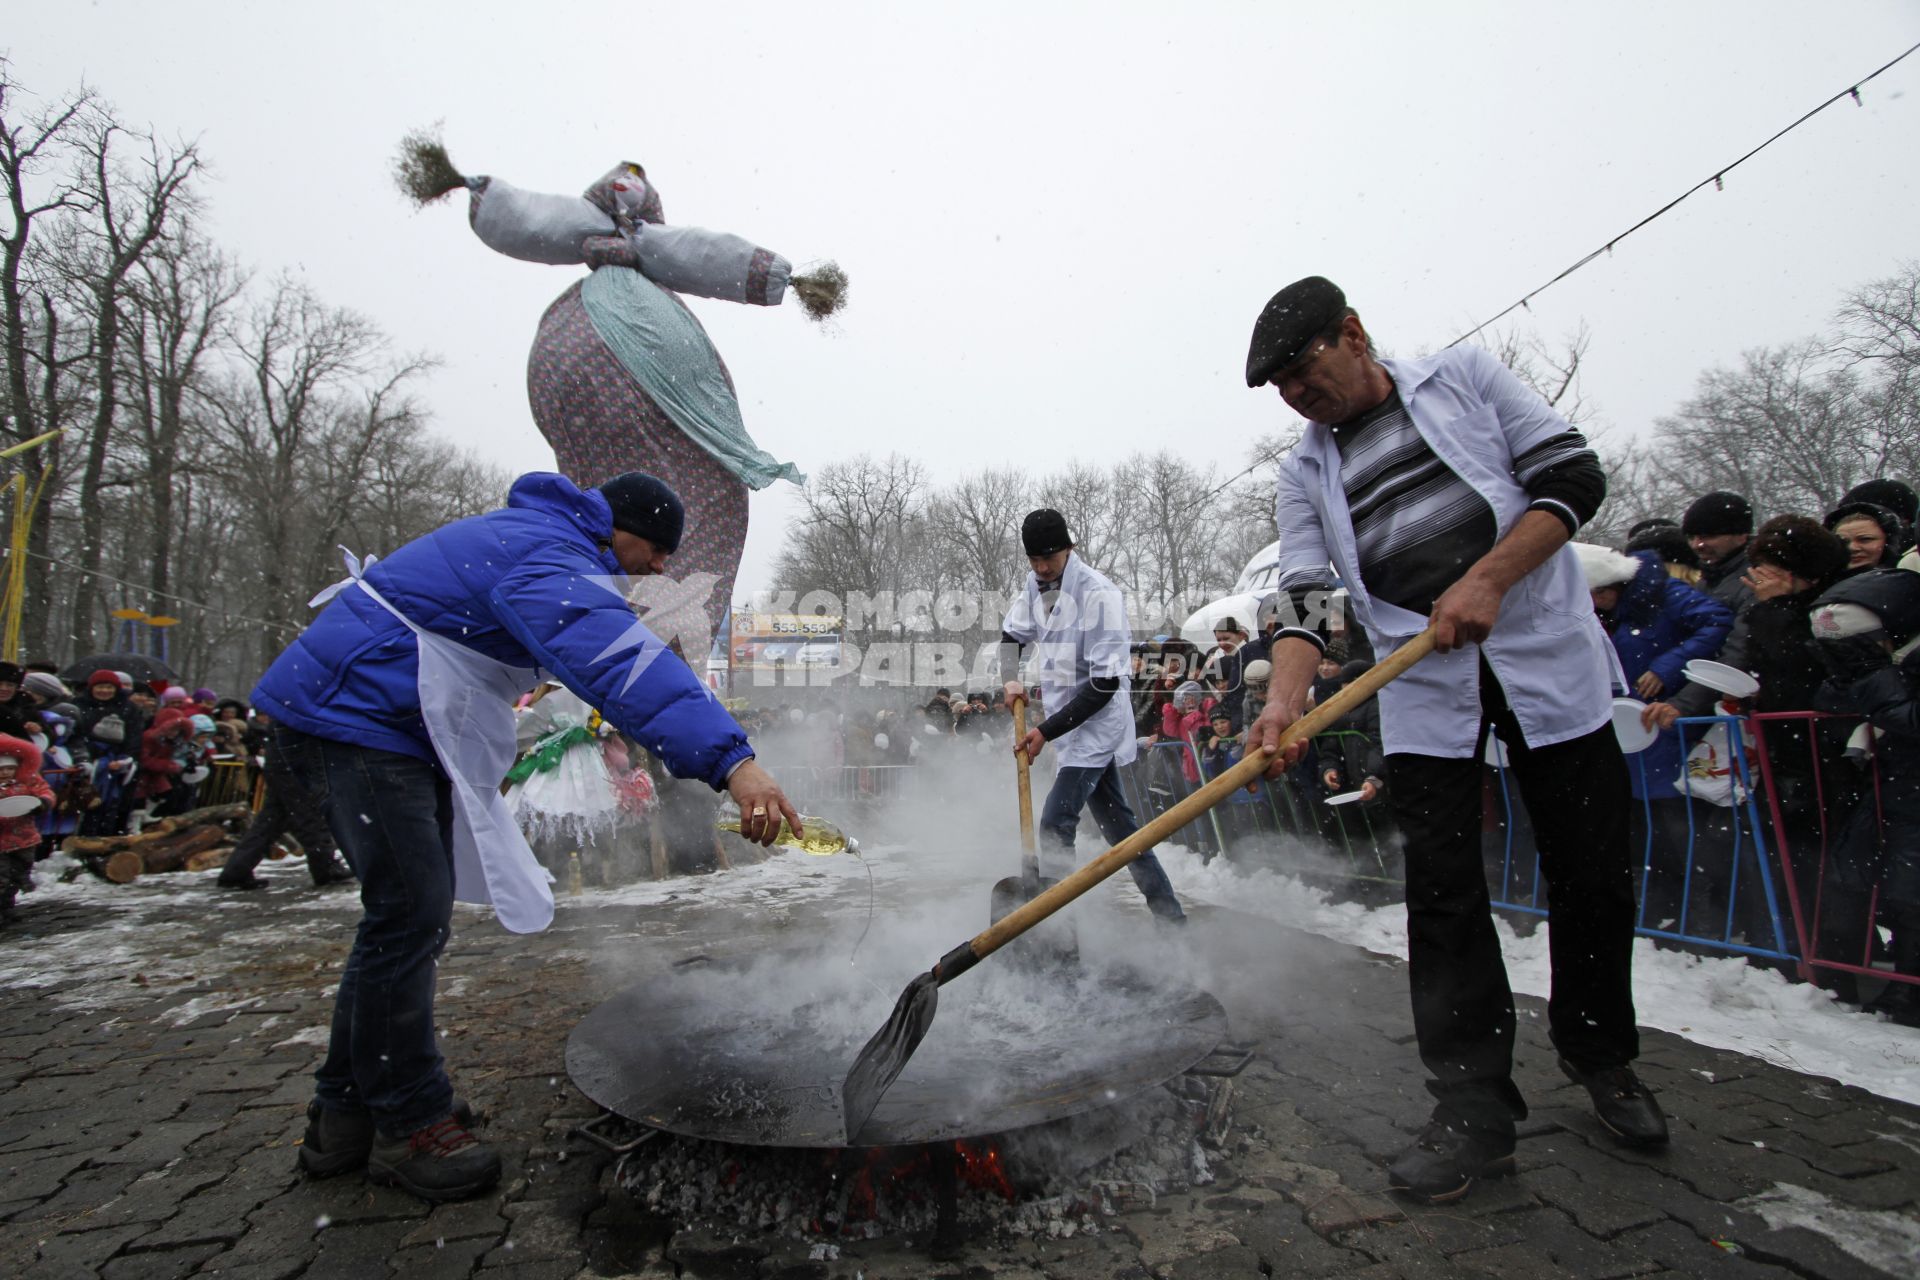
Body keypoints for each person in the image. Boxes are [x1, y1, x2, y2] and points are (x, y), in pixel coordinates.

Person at [251, 470, 802, 1203]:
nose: (661, 567)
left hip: (368, 720)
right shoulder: (544, 554)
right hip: (353, 718)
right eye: (658, 549)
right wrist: (735, 762)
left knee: (404, 919)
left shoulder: (543, 543)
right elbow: (619, 663)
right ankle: (406, 1123)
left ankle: (348, 1115)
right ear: (619, 528)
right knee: (408, 916)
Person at [1241, 276, 1666, 1205]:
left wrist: (1488, 580)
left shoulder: (1463, 378)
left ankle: (1602, 1057)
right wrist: (1282, 702)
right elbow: (1306, 598)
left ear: (1352, 334)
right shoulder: (1304, 470)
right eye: (1280, 390)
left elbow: (1571, 478)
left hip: (1546, 665)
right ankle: (1473, 1113)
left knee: (1590, 871)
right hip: (1427, 691)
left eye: (1303, 374)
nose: (1296, 399)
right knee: (1441, 898)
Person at [999, 508, 1184, 922]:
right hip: (1067, 722)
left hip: (1097, 725)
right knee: (1121, 831)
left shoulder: (1100, 595)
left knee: (1054, 823)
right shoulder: (1034, 586)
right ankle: (1170, 918)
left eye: (1050, 558)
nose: (1043, 568)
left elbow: (1105, 685)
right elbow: (1011, 636)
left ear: (1070, 548)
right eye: (1034, 560)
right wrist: (1010, 679)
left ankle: (1061, 923)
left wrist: (1044, 731)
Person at [1809, 568, 1920, 1024]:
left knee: (1911, 890)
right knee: (1895, 890)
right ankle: (1904, 984)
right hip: (1893, 788)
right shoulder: (1890, 665)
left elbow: (1908, 717)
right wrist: (1854, 673)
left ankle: (1910, 989)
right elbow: (1828, 702)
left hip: (1908, 788)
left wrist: (1876, 678)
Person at [0, 733, 56, 922]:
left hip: (25, 838)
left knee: (20, 872)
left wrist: (43, 803)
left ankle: (8, 904)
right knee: (1, 876)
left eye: (10, 768)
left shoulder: (28, 781)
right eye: (1, 769)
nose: (5, 772)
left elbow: (45, 791)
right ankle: (3, 906)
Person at [1824, 500, 1907, 575]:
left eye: (1865, 539)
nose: (1852, 548)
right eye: (1843, 541)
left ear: (1888, 542)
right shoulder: (1818, 587)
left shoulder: (1910, 582)